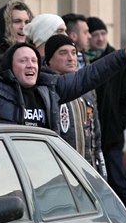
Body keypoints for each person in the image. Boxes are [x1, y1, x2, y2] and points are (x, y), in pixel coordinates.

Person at [0, 24, 126, 149]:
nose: (30, 65)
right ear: (9, 66)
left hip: (41, 173)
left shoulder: (50, 88)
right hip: (3, 170)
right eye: (23, 61)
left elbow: (89, 75)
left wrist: (123, 55)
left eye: (34, 61)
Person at [86, 16, 126, 206]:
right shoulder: (83, 60)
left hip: (111, 137)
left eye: (103, 33)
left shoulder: (117, 60)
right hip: (89, 137)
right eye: (95, 34)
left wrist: (117, 125)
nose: (100, 38)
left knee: (118, 181)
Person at [44, 34, 107, 178]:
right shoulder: (45, 90)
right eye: (63, 53)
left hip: (86, 175)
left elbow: (96, 141)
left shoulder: (87, 93)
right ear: (49, 60)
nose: (71, 58)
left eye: (73, 53)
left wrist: (101, 177)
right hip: (58, 176)